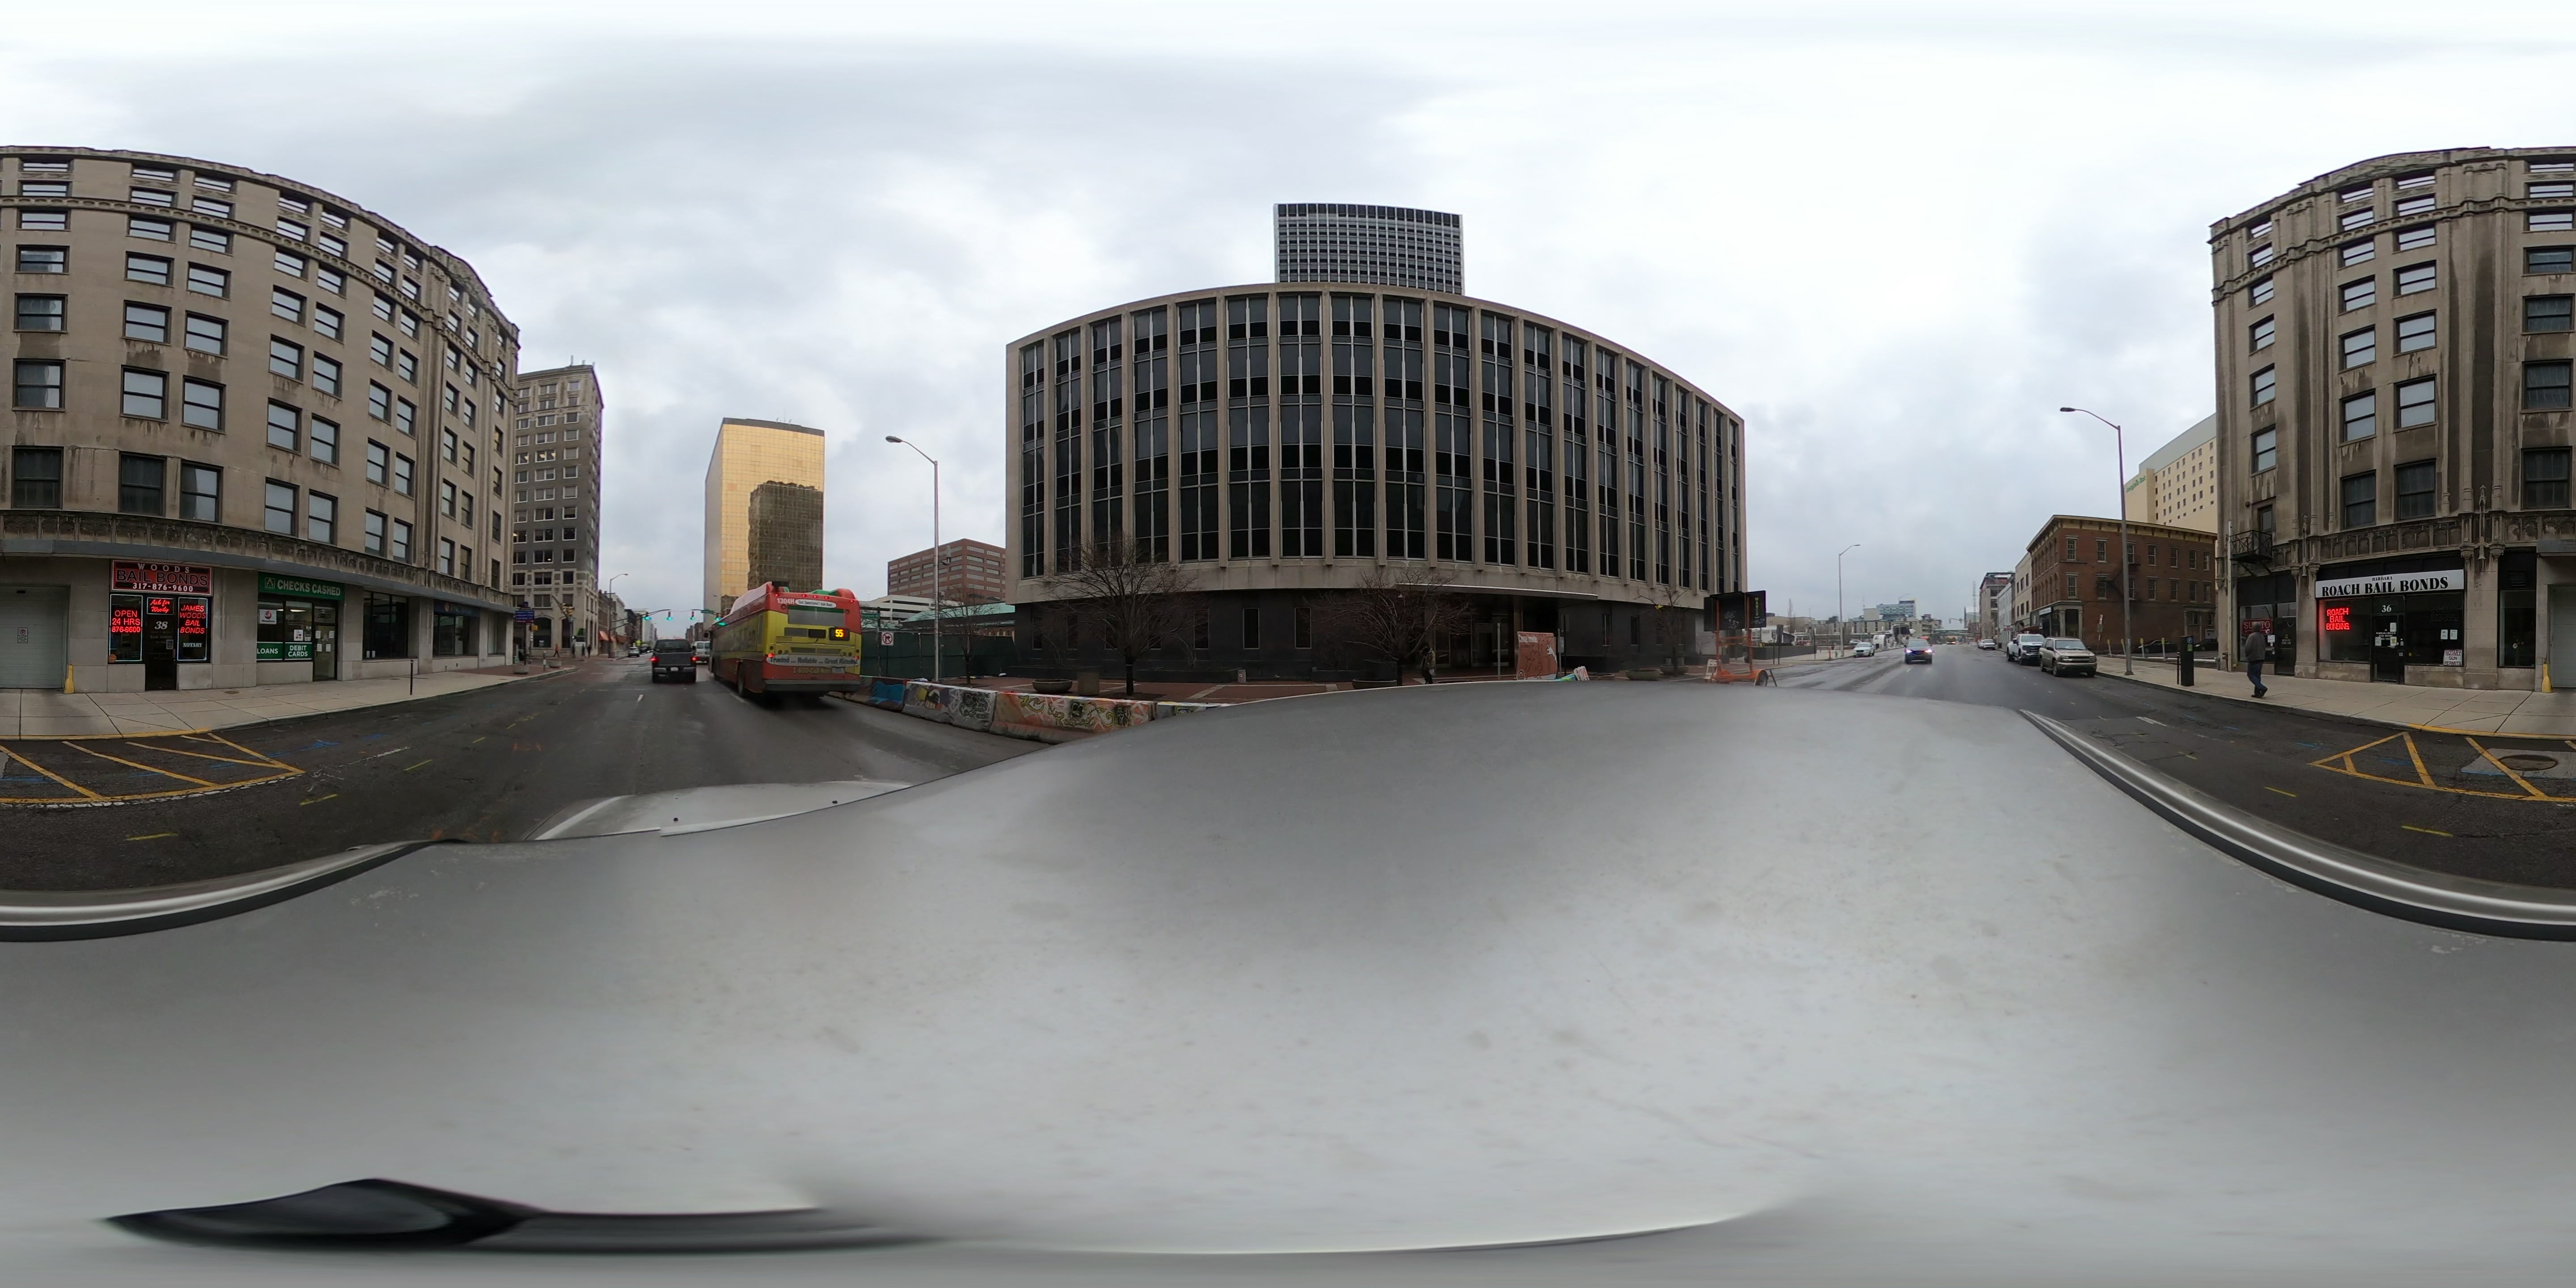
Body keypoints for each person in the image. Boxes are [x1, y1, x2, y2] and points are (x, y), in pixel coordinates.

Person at [2241, 626, 2271, 699]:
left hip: (2253, 658)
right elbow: (2264, 647)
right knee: (2257, 675)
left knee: (2251, 675)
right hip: (2261, 658)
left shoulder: (2252, 636)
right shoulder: (2262, 636)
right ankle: (2257, 693)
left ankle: (2262, 688)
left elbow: (2248, 647)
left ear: (2254, 629)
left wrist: (2247, 656)